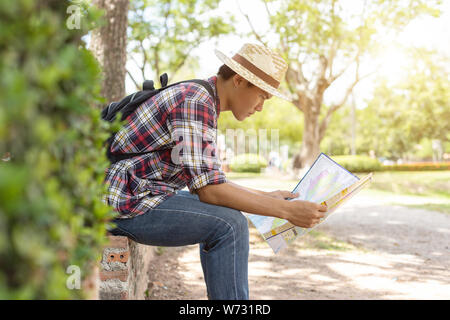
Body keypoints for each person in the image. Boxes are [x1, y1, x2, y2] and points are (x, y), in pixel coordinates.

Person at [104, 43, 327, 300]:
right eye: (262, 96)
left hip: (138, 193)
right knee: (229, 225)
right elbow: (211, 192)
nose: (260, 107)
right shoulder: (196, 100)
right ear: (240, 80)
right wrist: (287, 211)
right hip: (123, 200)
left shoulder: (202, 97)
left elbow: (209, 181)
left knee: (229, 216)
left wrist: (267, 197)